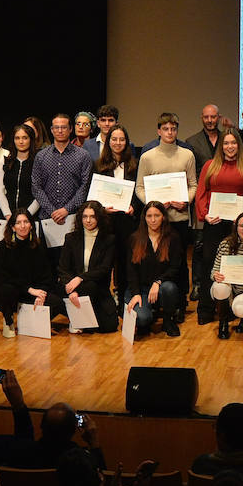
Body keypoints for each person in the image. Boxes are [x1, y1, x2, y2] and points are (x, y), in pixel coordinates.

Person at [196, 128, 243, 323]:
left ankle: (232, 309)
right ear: (220, 146)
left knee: (235, 267)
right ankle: (206, 309)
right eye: (226, 143)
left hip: (238, 228)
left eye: (233, 143)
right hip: (214, 224)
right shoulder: (210, 165)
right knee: (209, 263)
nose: (230, 147)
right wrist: (204, 215)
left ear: (239, 145)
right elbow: (201, 193)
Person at [134, 112, 198, 281]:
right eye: (166, 129)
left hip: (179, 218)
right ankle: (156, 297)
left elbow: (193, 185)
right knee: (156, 260)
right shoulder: (147, 157)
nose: (170, 132)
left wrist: (186, 201)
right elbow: (139, 188)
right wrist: (154, 206)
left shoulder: (187, 155)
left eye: (173, 129)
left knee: (180, 261)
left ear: (177, 131)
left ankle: (181, 302)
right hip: (155, 220)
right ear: (159, 131)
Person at [0, 211, 62, 337]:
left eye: (26, 222)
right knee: (7, 291)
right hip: (13, 291)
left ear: (31, 225)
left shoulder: (39, 246)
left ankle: (29, 318)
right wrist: (29, 290)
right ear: (12, 227)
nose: (22, 226)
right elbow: (2, 278)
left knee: (57, 302)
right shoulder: (2, 247)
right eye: (18, 223)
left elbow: (47, 275)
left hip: (32, 292)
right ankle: (8, 319)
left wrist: (42, 294)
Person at [122, 201, 183, 338]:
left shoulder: (173, 238)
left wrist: (158, 282)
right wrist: (136, 293)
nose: (153, 220)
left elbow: (175, 267)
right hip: (140, 288)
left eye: (157, 215)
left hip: (162, 286)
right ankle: (147, 317)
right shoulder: (135, 238)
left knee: (169, 288)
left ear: (164, 217)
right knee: (142, 318)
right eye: (149, 216)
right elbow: (131, 270)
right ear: (144, 218)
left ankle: (168, 321)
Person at [93, 124, 139, 295]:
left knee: (125, 260)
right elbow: (93, 195)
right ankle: (104, 296)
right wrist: (102, 209)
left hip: (127, 222)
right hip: (106, 221)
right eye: (114, 139)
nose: (118, 143)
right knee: (105, 260)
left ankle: (121, 294)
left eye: (122, 139)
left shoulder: (135, 165)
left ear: (127, 142)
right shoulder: (97, 165)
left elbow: (139, 192)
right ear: (108, 141)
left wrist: (134, 206)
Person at [58, 200, 116, 333]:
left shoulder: (109, 239)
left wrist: (80, 278)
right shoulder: (71, 238)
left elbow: (104, 269)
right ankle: (77, 318)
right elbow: (63, 268)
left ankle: (80, 316)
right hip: (71, 286)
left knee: (109, 327)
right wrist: (73, 289)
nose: (88, 220)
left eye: (92, 217)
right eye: (85, 217)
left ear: (99, 218)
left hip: (97, 287)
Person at [32, 114, 94, 235]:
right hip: (46, 218)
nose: (60, 130)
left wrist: (66, 209)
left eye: (64, 127)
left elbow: (85, 186)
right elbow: (36, 187)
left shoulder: (83, 156)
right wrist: (52, 211)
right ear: (51, 130)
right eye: (56, 127)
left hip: (74, 217)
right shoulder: (41, 156)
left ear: (70, 129)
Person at [0, 123, 41, 223]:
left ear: (31, 139)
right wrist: (8, 215)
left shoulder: (38, 163)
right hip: (7, 217)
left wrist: (26, 216)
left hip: (30, 218)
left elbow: (40, 194)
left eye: (25, 138)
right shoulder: (5, 162)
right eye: (17, 138)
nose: (21, 142)